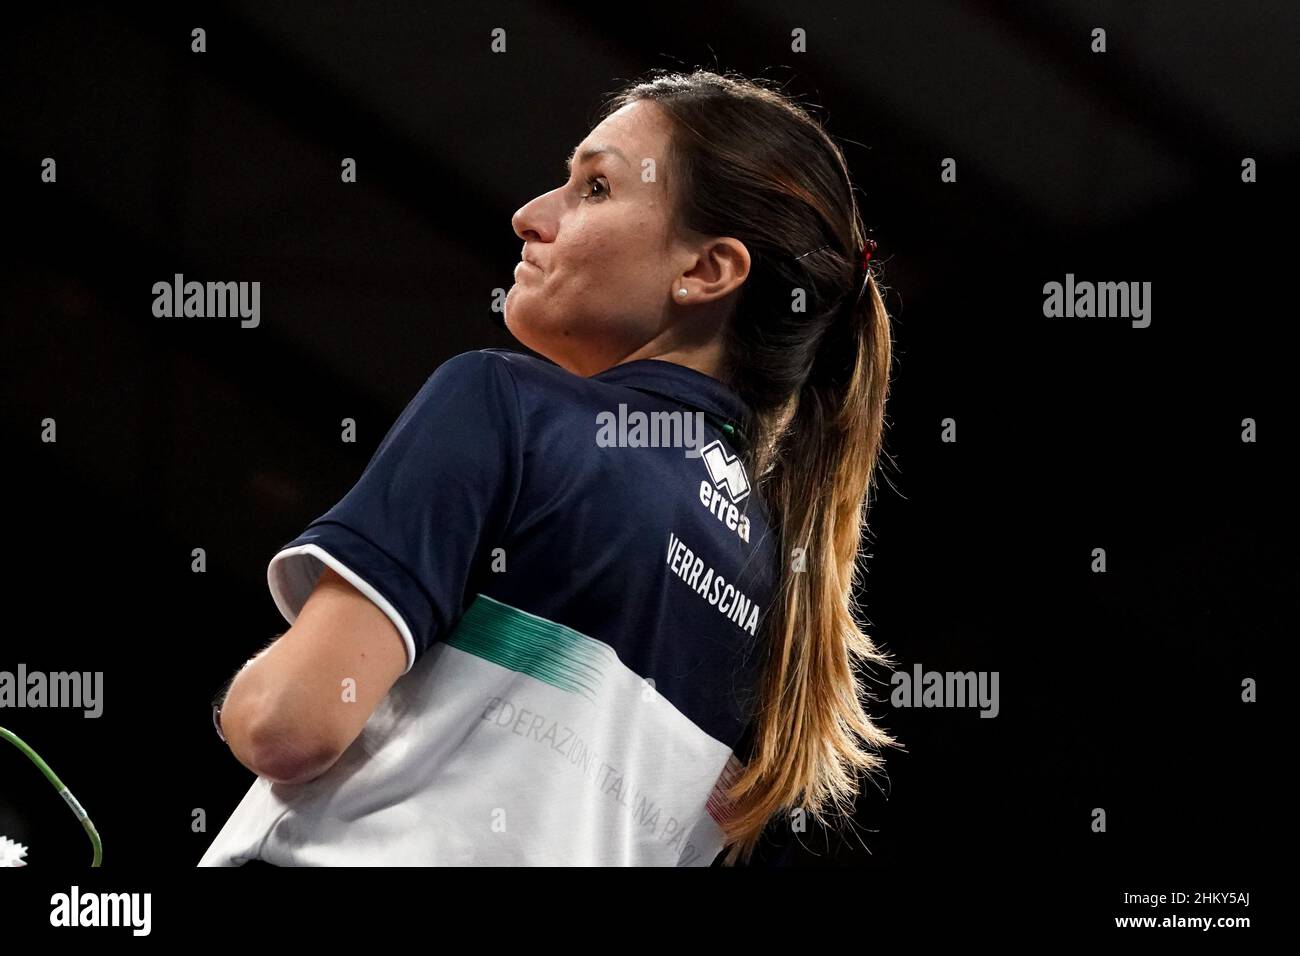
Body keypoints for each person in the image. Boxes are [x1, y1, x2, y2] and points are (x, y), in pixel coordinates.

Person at [198, 67, 898, 867]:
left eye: (595, 187)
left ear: (706, 272)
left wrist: (249, 692)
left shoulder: (507, 404)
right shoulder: (793, 608)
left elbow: (287, 726)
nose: (531, 217)